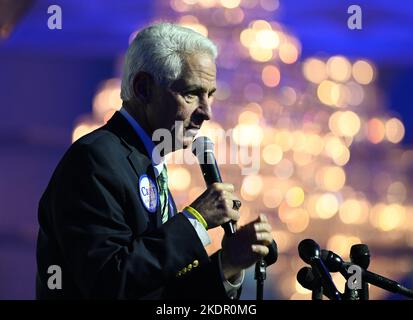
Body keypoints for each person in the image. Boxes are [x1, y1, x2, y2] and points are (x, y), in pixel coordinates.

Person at [36, 22, 274, 299]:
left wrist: (228, 263)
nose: (206, 112)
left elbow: (160, 295)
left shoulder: (147, 164)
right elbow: (109, 282)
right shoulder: (94, 160)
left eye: (209, 95)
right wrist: (195, 220)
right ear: (143, 88)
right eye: (191, 94)